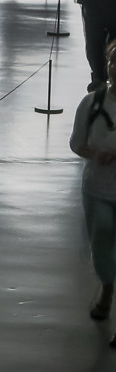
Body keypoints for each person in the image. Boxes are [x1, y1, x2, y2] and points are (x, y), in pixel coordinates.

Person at [69, 43, 116, 330]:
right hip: (98, 189)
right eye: (113, 61)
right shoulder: (91, 104)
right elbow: (77, 143)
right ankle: (107, 286)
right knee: (101, 236)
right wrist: (96, 154)